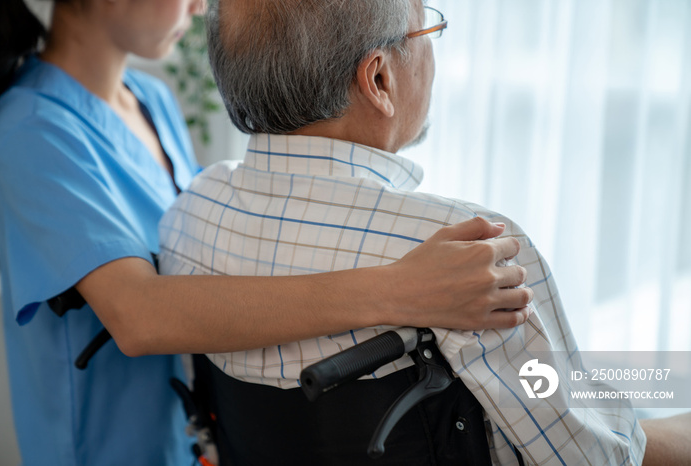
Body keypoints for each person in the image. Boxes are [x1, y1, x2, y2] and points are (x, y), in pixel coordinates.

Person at [0, 0, 535, 465]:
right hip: (109, 445)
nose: (201, 7)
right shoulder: (31, 129)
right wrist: (401, 290)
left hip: (200, 432)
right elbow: (138, 316)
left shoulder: (150, 100)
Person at [158, 0, 654, 464]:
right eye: (428, 29)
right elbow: (593, 453)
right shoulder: (464, 250)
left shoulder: (189, 213)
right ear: (378, 78)